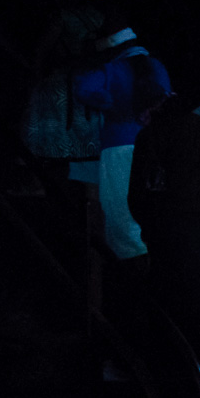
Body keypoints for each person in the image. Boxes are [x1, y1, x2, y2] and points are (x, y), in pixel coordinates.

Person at [128, 95, 200, 370]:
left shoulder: (150, 136)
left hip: (173, 225)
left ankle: (177, 359)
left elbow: (139, 191)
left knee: (169, 290)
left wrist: (149, 225)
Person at [71, 26, 171, 261]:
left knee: (120, 207)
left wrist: (108, 103)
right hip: (153, 142)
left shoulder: (112, 68)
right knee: (150, 200)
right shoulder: (158, 67)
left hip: (118, 143)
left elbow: (83, 87)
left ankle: (129, 266)